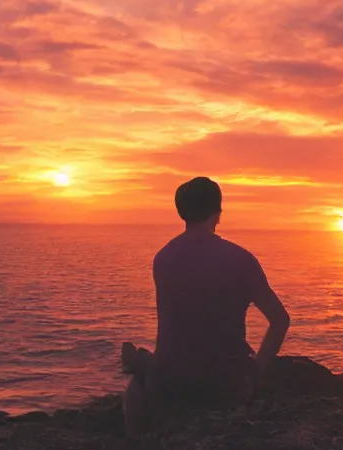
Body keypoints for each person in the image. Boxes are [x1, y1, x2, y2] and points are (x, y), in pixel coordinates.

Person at [124, 176, 290, 436]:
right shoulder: (241, 259)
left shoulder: (163, 258)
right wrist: (257, 370)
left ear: (181, 212)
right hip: (226, 387)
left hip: (171, 385)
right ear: (218, 213)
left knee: (136, 383)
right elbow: (280, 321)